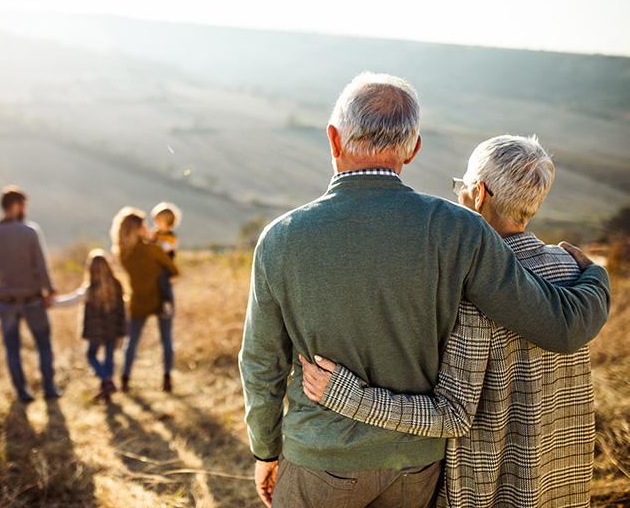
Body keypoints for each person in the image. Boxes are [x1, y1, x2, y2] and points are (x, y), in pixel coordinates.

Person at [238, 72, 610, 508]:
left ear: (333, 139)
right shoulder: (458, 229)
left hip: (320, 460)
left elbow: (262, 364)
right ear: (413, 149)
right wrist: (595, 277)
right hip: (415, 466)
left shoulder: (281, 238)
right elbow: (556, 325)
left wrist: (265, 449)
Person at [301, 135, 596, 508]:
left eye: (460, 187)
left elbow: (454, 415)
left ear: (477, 193)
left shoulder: (470, 290)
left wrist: (348, 396)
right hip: (561, 481)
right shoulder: (571, 269)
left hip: (490, 489)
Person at [0, 185, 62, 403]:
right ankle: (49, 389)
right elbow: (41, 266)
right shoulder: (30, 231)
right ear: (16, 205)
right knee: (43, 344)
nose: (25, 210)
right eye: (24, 205)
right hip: (32, 299)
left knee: (12, 348)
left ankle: (22, 393)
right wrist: (50, 290)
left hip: (5, 301)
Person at [111, 206, 179, 393]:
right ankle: (167, 379)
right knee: (166, 339)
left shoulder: (122, 253)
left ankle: (124, 379)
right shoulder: (152, 249)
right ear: (138, 228)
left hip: (138, 299)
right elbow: (173, 269)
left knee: (131, 340)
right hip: (162, 297)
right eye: (144, 225)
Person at [52, 249, 127, 401]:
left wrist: (52, 302)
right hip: (113, 328)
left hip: (96, 330)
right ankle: (107, 386)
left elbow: (71, 300)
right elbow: (123, 308)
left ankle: (106, 381)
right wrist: (122, 326)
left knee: (91, 355)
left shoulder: (90, 288)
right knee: (109, 357)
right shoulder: (117, 284)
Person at [149, 202, 181, 319]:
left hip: (166, 265)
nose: (157, 225)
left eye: (159, 222)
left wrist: (155, 240)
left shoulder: (171, 237)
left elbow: (166, 249)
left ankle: (167, 302)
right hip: (156, 264)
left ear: (168, 223)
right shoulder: (156, 233)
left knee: (163, 280)